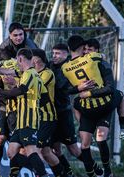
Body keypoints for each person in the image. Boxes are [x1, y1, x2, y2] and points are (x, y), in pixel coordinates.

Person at [62, 35, 122, 177]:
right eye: (85, 48)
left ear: (69, 49)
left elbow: (65, 90)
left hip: (89, 108)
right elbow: (100, 57)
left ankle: (98, 173)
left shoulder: (65, 68)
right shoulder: (93, 57)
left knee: (85, 145)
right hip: (101, 105)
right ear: (83, 48)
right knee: (120, 96)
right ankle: (107, 172)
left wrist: (78, 89)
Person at [0, 48, 49, 177]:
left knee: (30, 151)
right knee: (11, 152)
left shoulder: (30, 73)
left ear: (20, 59)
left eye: (17, 61)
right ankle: (39, 170)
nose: (17, 64)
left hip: (28, 119)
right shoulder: (31, 75)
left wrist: (2, 93)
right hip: (21, 121)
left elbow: (21, 90)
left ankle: (42, 173)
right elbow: (45, 98)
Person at [0, 22, 38, 174]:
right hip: (5, 104)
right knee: (0, 140)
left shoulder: (31, 47)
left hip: (22, 107)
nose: (19, 38)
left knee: (24, 149)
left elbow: (27, 71)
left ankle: (41, 171)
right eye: (15, 35)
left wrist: (1, 71)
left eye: (21, 34)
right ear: (10, 36)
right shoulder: (4, 48)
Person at [84, 38, 124, 141]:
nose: (86, 52)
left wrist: (90, 92)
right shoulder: (80, 62)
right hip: (87, 99)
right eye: (85, 49)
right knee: (76, 104)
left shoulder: (103, 64)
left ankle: (123, 130)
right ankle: (88, 130)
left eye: (89, 49)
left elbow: (110, 87)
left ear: (96, 50)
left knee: (120, 95)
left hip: (100, 95)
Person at [31, 49, 68, 177]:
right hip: (35, 118)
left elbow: (34, 87)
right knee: (46, 152)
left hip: (47, 117)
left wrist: (17, 84)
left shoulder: (47, 73)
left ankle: (41, 174)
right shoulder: (30, 73)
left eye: (29, 57)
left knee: (36, 150)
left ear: (36, 59)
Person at [50, 43, 84, 176]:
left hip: (64, 113)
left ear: (66, 54)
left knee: (73, 150)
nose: (54, 56)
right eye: (53, 53)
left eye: (58, 53)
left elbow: (60, 87)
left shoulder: (69, 68)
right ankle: (67, 173)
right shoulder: (50, 65)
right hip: (50, 115)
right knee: (55, 150)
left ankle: (97, 170)